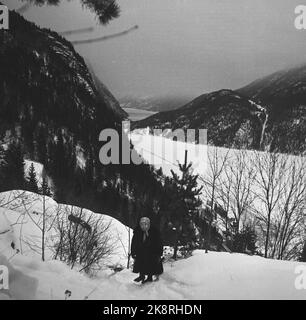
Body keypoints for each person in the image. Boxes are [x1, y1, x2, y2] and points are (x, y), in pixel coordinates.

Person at [131, 216, 163, 283]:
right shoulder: (137, 231)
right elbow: (134, 242)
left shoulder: (155, 231)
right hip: (140, 251)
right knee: (140, 263)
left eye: (145, 224)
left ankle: (149, 277)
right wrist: (133, 252)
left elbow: (159, 242)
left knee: (150, 264)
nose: (143, 226)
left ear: (149, 224)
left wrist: (159, 253)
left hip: (151, 252)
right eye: (141, 224)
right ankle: (141, 276)